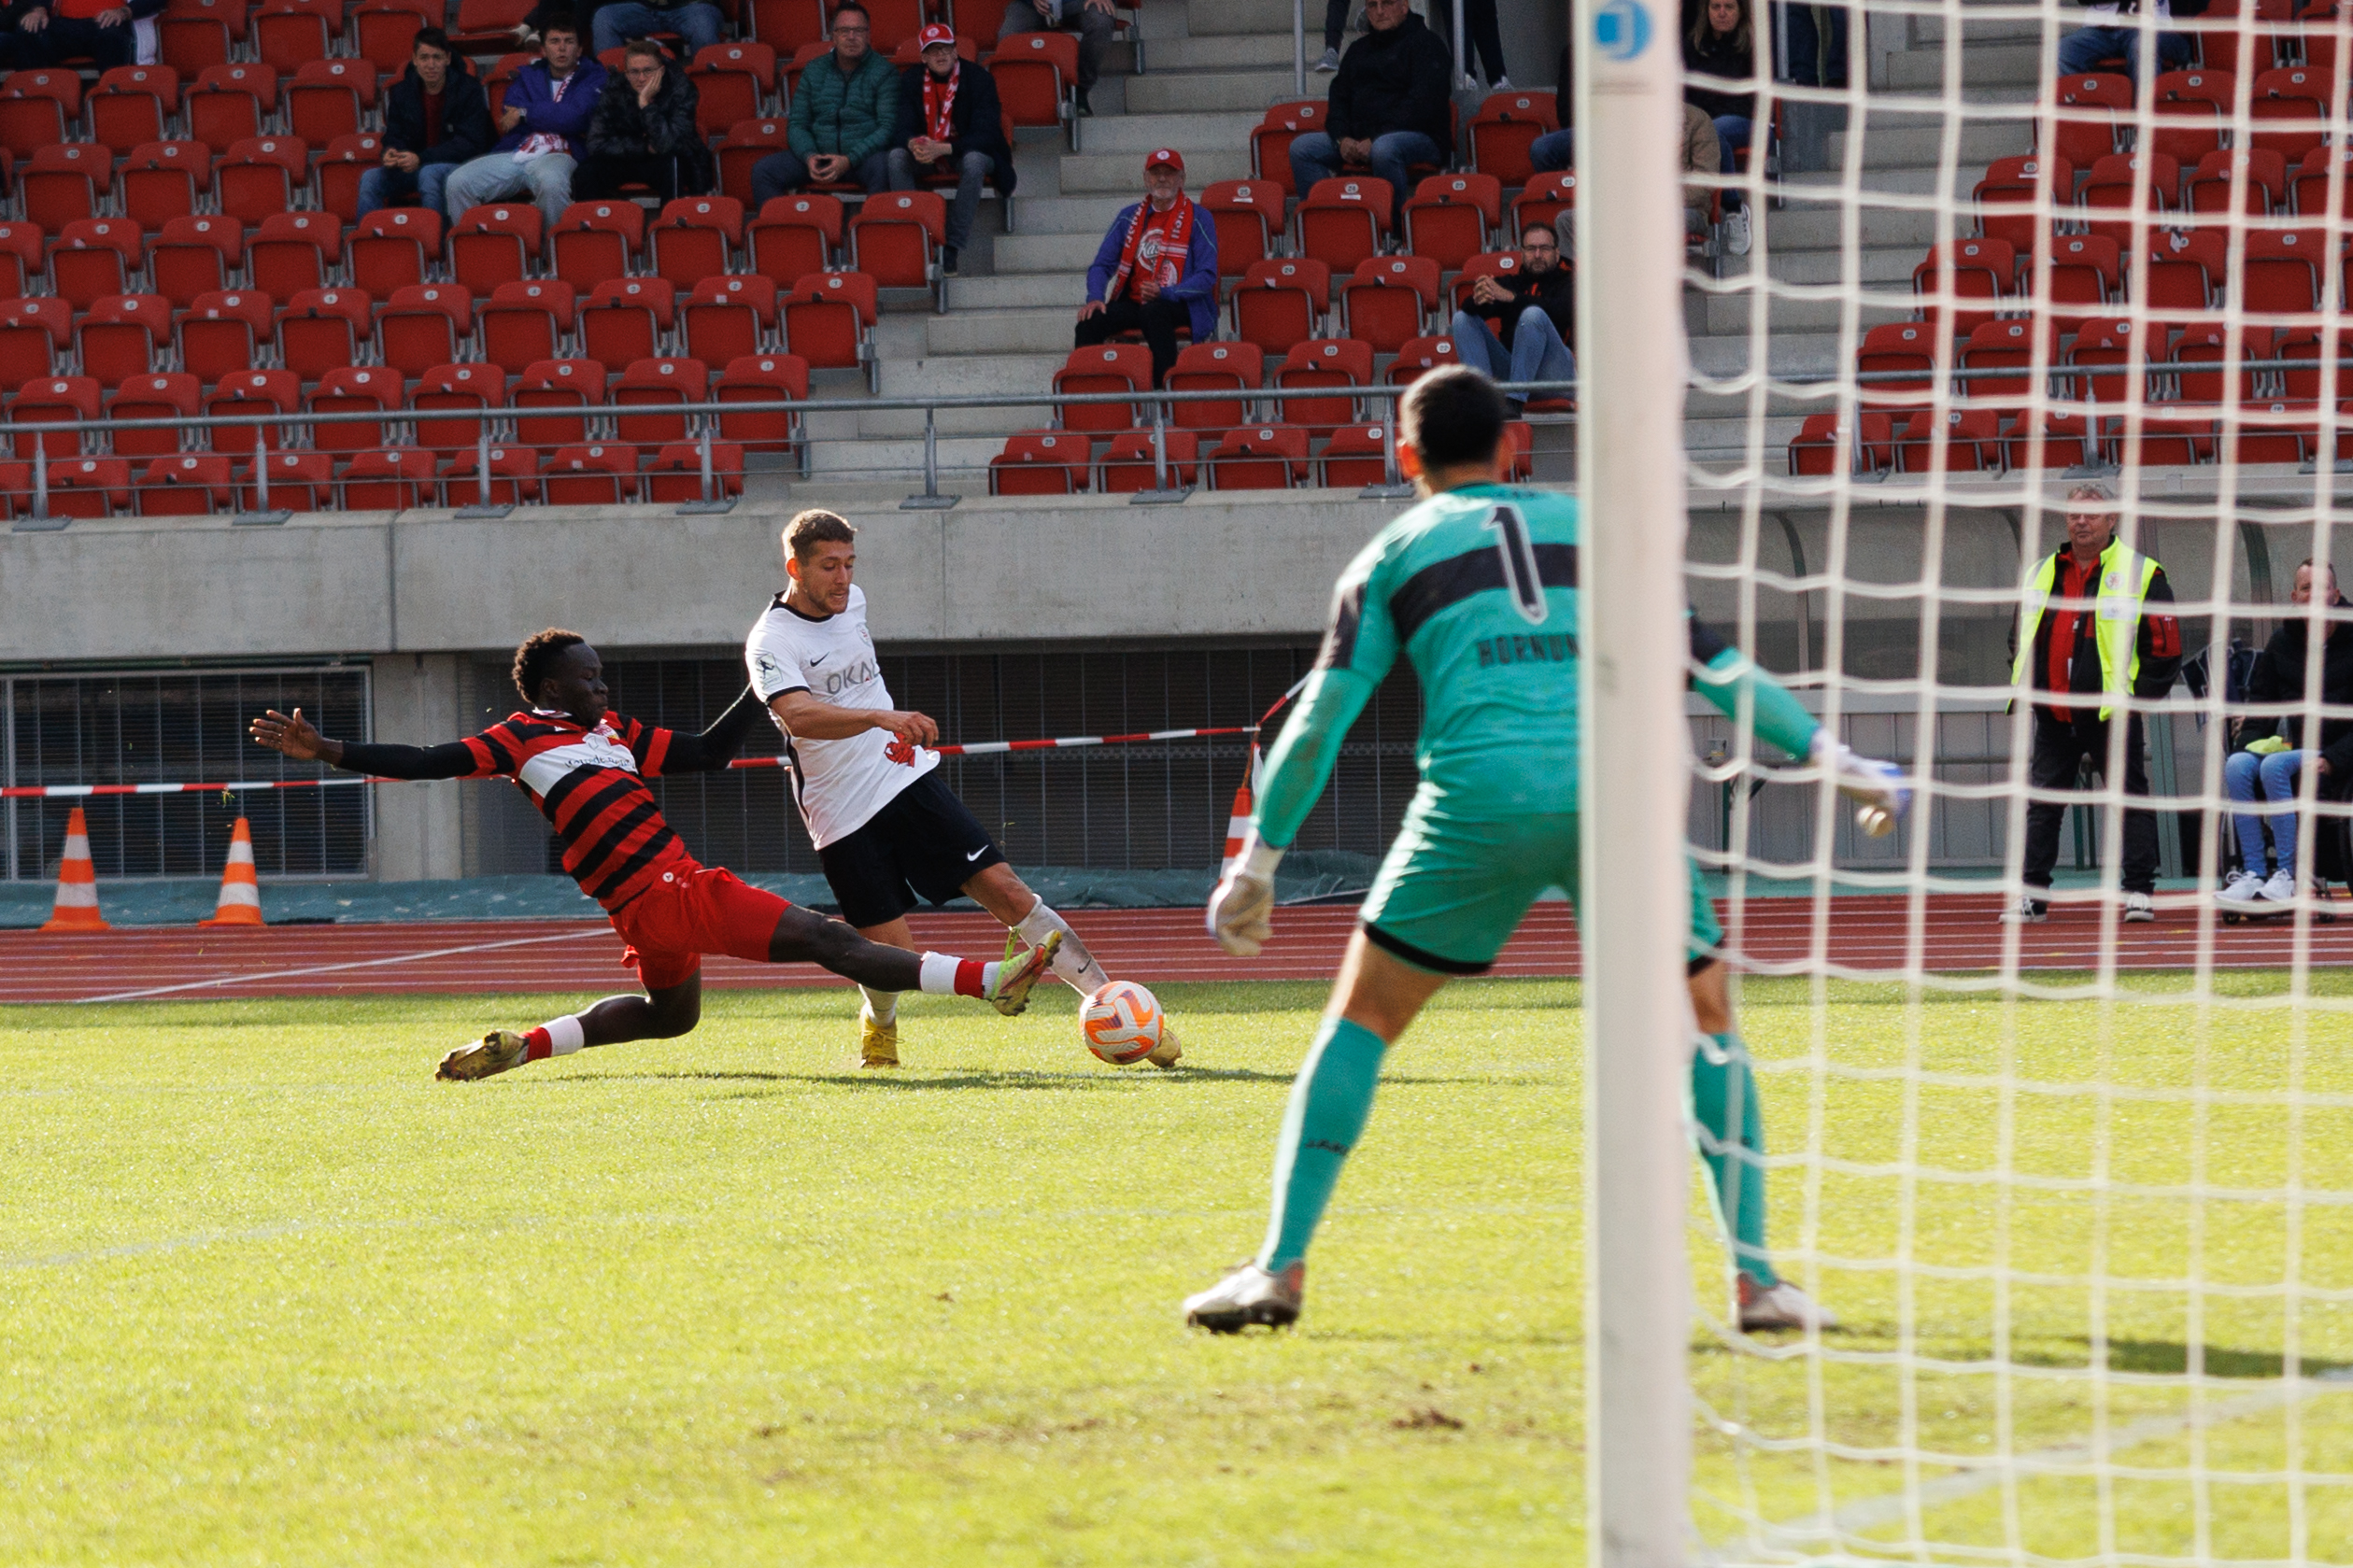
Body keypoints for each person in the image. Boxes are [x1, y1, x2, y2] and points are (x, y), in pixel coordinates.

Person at [1181, 366, 1904, 1333]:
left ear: (1404, 457)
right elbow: (1716, 667)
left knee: (1360, 1017)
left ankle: (1279, 1268)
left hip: (1476, 800)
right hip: (1618, 794)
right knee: (1703, 1020)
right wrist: (1830, 753)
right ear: (1511, 447)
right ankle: (1757, 1281)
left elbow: (1318, 722)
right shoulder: (1598, 532)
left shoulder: (1392, 550)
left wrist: (1256, 864)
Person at [248, 630, 1062, 1082]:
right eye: (590, 677)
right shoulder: (518, 737)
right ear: (550, 687)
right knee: (829, 939)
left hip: (640, 909)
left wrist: (766, 674)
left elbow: (708, 752)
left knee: (673, 1018)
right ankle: (991, 981)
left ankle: (522, 1046)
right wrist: (333, 750)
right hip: (667, 887)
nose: (604, 688)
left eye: (603, 676)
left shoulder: (616, 734)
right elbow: (428, 760)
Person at [744, 511, 1179, 1071]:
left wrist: (887, 728)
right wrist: (881, 716)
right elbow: (798, 716)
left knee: (1007, 889)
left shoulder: (854, 603)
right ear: (794, 568)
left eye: (850, 564)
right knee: (889, 955)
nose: (843, 578)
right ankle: (879, 1024)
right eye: (829, 566)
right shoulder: (770, 639)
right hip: (839, 813)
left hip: (901, 777)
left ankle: (1117, 1005)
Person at [2003, 482, 2183, 925]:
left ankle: (2139, 892)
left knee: (2129, 801)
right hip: (2053, 713)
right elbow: (2019, 638)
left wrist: (2136, 702)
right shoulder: (2041, 572)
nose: (2081, 521)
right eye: (2073, 514)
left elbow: (2166, 647)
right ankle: (2033, 897)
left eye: (2092, 514)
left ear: (2112, 518)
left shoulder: (2144, 573)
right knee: (2042, 806)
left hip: (2112, 717)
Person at [2218, 558, 2353, 911]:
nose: (2314, 595)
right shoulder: (2282, 642)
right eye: (2306, 588)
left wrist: (2331, 760)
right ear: (2295, 596)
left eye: (2322, 588)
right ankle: (2253, 874)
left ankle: (2289, 873)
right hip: (2298, 752)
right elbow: (2262, 707)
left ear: (2336, 595)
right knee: (2236, 766)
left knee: (2274, 767)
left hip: (2339, 757)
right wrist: (2243, 747)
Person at [1288, 0, 1453, 230]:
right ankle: (1325, 229)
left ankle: (1393, 230)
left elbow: (1421, 106)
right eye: (1372, 5)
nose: (1379, 11)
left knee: (1384, 149)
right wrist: (1341, 138)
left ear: (1404, 6)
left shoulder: (1428, 45)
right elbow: (1339, 100)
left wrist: (1374, 138)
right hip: (1360, 137)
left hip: (1420, 137)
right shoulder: (1357, 50)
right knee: (1303, 148)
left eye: (1387, 3)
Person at [440, 14, 606, 231]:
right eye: (555, 42)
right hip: (520, 151)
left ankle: (554, 251)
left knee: (551, 183)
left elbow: (576, 118)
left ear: (580, 49)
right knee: (457, 182)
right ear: (544, 50)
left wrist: (526, 113)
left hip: (562, 153)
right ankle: (478, 247)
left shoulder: (594, 77)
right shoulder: (528, 76)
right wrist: (552, 116)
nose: (562, 48)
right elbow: (510, 115)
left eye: (569, 41)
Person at [1074, 148, 1218, 388]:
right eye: (1156, 173)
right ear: (1145, 179)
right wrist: (1095, 297)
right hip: (1135, 302)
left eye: (1169, 173)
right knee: (1091, 319)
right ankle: (1088, 393)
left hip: (1181, 303)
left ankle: (1164, 393)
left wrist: (1166, 293)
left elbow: (1207, 276)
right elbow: (1101, 265)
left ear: (1182, 179)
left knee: (1154, 312)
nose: (1162, 179)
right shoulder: (1128, 217)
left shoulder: (1200, 217)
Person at [887, 23, 1014, 277]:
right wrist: (913, 143)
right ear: (923, 57)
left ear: (956, 51)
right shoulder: (911, 80)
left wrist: (943, 148)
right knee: (896, 157)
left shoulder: (979, 78)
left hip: (967, 152)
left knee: (975, 161)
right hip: (928, 153)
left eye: (945, 48)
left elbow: (987, 134)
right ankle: (919, 239)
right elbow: (899, 127)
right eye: (933, 51)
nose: (941, 55)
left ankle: (952, 247)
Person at [749, 1, 898, 205]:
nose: (852, 37)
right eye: (844, 31)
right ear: (833, 35)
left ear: (869, 34)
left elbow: (887, 128)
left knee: (884, 166)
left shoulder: (885, 72)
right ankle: (783, 233)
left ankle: (874, 232)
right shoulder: (814, 70)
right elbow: (797, 124)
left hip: (861, 159)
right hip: (819, 156)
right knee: (763, 171)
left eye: (858, 30)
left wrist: (849, 160)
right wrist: (809, 156)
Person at [361, 28, 493, 221]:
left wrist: (421, 158)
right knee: (369, 179)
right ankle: (366, 244)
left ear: (447, 59)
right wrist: (391, 153)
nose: (430, 65)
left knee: (429, 175)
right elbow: (394, 134)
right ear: (414, 59)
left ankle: (435, 246)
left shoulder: (468, 89)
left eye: (436, 58)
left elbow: (470, 144)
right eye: (424, 58)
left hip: (459, 166)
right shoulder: (401, 92)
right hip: (415, 165)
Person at [1447, 219, 1574, 411]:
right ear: (1522, 254)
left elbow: (1561, 311)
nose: (1537, 255)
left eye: (1544, 249)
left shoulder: (1570, 282)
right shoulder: (1510, 283)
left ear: (1557, 253)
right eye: (1531, 249)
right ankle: (1481, 403)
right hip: (1514, 371)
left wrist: (1511, 298)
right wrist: (1479, 297)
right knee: (1462, 319)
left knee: (1533, 315)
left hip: (1556, 374)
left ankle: (1514, 401)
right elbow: (1469, 310)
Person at [575, 38, 713, 202]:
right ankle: (594, 222)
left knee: (672, 164)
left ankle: (672, 223)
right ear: (626, 73)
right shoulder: (614, 88)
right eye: (634, 72)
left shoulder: (681, 89)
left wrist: (646, 104)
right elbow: (595, 143)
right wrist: (643, 147)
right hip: (628, 155)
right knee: (586, 171)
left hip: (671, 157)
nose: (641, 78)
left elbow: (667, 144)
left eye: (648, 71)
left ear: (661, 71)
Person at [1684, 0, 1756, 255]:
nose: (1722, 13)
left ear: (1740, 11)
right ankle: (1734, 208)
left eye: (1729, 7)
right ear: (1706, 11)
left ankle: (1733, 209)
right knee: (1712, 133)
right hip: (1706, 123)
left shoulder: (1751, 45)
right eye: (1716, 7)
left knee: (1712, 132)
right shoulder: (1692, 47)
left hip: (1746, 120)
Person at [998, 0, 1113, 115]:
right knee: (1008, 35)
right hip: (1033, 5)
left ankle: (1080, 90)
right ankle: (1019, 98)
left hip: (1080, 2)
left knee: (1101, 20)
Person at [2059, 0, 2203, 85]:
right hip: (2102, 30)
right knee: (2062, 51)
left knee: (2142, 46)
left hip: (2157, 30)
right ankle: (2077, 122)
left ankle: (2146, 124)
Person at [12, 0, 161, 70]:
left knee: (112, 36)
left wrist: (124, 12)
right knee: (28, 30)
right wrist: (39, 9)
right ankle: (35, 98)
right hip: (65, 24)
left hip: (111, 22)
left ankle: (113, 96)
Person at [590, 0, 722, 59]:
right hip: (644, 8)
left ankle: (710, 88)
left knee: (702, 27)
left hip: (690, 7)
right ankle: (613, 90)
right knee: (605, 18)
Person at [1529, 43, 1573, 173]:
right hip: (1583, 131)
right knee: (1541, 148)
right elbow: (1564, 107)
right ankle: (1556, 191)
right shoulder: (1572, 52)